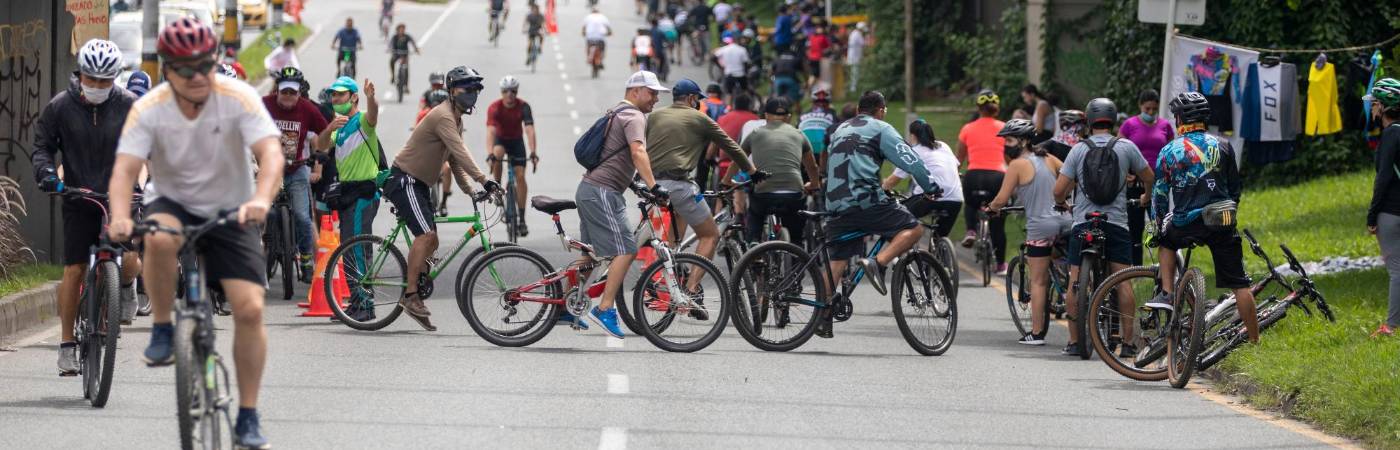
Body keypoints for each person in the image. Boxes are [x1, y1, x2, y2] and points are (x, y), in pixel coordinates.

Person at [106, 18, 282, 448]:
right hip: (174, 202)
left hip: (232, 205)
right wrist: (119, 215)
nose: (198, 76)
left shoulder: (237, 97)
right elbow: (125, 170)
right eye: (186, 68)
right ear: (166, 70)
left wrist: (261, 198)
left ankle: (248, 414)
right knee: (159, 238)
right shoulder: (150, 108)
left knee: (250, 310)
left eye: (205, 65)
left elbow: (270, 153)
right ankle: (164, 327)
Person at [31, 39, 144, 376]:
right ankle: (67, 344)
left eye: (105, 81)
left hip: (122, 196)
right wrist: (48, 175)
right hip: (78, 196)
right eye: (91, 79)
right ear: (80, 74)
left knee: (129, 260)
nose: (97, 87)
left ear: (116, 78)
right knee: (74, 269)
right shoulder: (59, 107)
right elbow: (42, 148)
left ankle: (124, 288)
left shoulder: (130, 106)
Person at [384, 66, 499, 330]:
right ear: (450, 90)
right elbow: (460, 151)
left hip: (420, 184)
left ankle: (417, 288)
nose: (471, 94)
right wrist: (484, 179)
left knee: (432, 241)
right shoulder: (444, 116)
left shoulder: (456, 120)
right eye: (465, 89)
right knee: (425, 237)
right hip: (405, 180)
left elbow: (454, 161)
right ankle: (411, 296)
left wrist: (472, 190)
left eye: (475, 90)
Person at [821, 91, 942, 338]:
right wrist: (931, 188)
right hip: (865, 200)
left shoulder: (840, 129)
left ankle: (822, 317)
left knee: (837, 261)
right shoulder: (881, 128)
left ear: (858, 109)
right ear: (882, 110)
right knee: (914, 228)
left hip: (834, 201)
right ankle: (878, 262)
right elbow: (912, 161)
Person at [1144, 92, 1256, 345]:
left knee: (1167, 241)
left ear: (1180, 118)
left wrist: (1157, 224)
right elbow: (1234, 189)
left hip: (1185, 224)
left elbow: (1160, 197)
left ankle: (1167, 293)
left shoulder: (1169, 150)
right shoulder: (1224, 146)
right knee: (1240, 284)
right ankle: (1254, 341)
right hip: (1221, 222)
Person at [646, 78, 764, 316]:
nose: (699, 104)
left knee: (674, 238)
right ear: (691, 99)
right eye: (698, 99)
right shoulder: (700, 118)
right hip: (679, 184)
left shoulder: (655, 116)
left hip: (652, 185)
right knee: (710, 234)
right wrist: (752, 171)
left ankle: (665, 274)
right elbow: (732, 147)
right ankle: (689, 292)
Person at [1053, 97, 1153, 357]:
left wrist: (1062, 202)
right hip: (1117, 223)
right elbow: (1149, 177)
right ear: (1113, 119)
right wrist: (1145, 196)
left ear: (1088, 120)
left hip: (1084, 222)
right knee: (1122, 280)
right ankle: (1129, 343)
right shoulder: (1126, 147)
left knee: (1075, 280)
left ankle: (1075, 342)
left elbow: (1058, 190)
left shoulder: (1078, 149)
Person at [575, 71, 670, 338]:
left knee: (592, 254)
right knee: (627, 249)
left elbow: (613, 157)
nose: (655, 99)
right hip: (602, 192)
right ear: (635, 91)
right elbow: (637, 152)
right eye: (652, 93)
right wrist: (654, 187)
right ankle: (604, 309)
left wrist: (634, 184)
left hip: (592, 189)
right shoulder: (633, 116)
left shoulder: (617, 112)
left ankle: (568, 304)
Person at [985, 119, 1070, 345]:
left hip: (1041, 227)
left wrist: (991, 209)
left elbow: (1002, 199)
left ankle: (1037, 332)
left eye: (1010, 140)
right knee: (1070, 269)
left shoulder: (1016, 165)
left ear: (1023, 141)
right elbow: (1072, 177)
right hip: (1067, 222)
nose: (1006, 145)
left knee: (1038, 281)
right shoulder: (1049, 159)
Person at [262, 67, 331, 282]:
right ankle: (259, 255)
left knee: (302, 215)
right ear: (277, 91)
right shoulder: (264, 105)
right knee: (262, 215)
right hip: (270, 168)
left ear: (299, 93)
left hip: (297, 168)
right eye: (284, 92)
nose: (288, 97)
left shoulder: (307, 109)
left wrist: (320, 155)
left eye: (293, 92)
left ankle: (306, 261)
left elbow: (325, 132)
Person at [727, 97, 820, 243]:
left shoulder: (755, 133)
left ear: (766, 116)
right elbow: (812, 166)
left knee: (755, 215)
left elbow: (738, 160)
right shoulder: (799, 134)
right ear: (789, 117)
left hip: (764, 193)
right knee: (796, 233)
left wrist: (726, 180)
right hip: (793, 193)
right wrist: (814, 184)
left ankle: (754, 246)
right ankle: (796, 256)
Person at [324, 76, 386, 259]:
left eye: (341, 94)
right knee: (348, 248)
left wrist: (371, 98)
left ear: (354, 97)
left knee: (356, 249)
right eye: (333, 95)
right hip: (347, 193)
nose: (335, 99)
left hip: (364, 193)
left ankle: (361, 288)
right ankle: (358, 286)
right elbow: (320, 146)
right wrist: (328, 129)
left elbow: (373, 115)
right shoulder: (338, 127)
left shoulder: (362, 121)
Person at [882, 119, 964, 240]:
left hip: (929, 197)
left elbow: (893, 180)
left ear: (913, 136)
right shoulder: (944, 146)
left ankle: (904, 251)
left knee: (898, 219)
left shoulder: (913, 152)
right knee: (940, 237)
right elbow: (955, 167)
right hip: (956, 198)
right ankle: (942, 253)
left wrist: (882, 189)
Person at [1118, 89, 1173, 265]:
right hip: (1135, 181)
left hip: (1158, 182)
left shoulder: (1165, 126)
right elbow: (1118, 150)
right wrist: (1125, 171)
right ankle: (1136, 265)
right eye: (1147, 108)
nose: (1150, 112)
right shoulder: (1129, 125)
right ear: (1140, 106)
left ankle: (1165, 263)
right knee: (1135, 226)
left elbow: (1172, 150)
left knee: (1161, 225)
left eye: (1153, 109)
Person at [957, 89, 1008, 274]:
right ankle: (1001, 265)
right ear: (997, 108)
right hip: (997, 177)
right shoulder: (1004, 127)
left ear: (979, 108)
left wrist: (954, 173)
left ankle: (971, 230)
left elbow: (959, 158)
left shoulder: (967, 128)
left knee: (971, 204)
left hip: (974, 175)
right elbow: (1010, 157)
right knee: (998, 222)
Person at [485, 75, 539, 234]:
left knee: (520, 177)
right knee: (497, 153)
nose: (510, 94)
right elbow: (490, 131)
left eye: (513, 91)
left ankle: (521, 219)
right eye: (506, 91)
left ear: (517, 92)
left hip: (517, 142)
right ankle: (497, 186)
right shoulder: (494, 107)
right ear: (501, 92)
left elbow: (529, 130)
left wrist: (533, 151)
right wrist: (490, 154)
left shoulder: (524, 107)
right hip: (501, 140)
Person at [1368, 78, 1400, 338]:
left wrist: (1371, 214)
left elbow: (1384, 177)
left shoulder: (1391, 133)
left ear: (1384, 106)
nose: (1372, 109)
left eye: (1374, 103)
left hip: (1392, 211)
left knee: (1396, 269)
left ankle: (1390, 326)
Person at [799, 87, 836, 157]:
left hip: (804, 151)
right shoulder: (833, 114)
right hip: (824, 151)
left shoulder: (803, 114)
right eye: (818, 102)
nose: (821, 105)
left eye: (824, 102)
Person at [713, 33, 749, 102]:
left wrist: (720, 66)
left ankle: (728, 108)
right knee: (744, 91)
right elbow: (745, 63)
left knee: (729, 93)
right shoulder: (742, 50)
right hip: (740, 74)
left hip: (729, 74)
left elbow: (714, 57)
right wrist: (746, 73)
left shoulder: (725, 49)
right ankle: (745, 104)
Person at [805, 22, 832, 89]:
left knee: (814, 75)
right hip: (818, 58)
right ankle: (808, 88)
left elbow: (808, 47)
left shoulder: (811, 37)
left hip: (811, 58)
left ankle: (814, 89)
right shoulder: (823, 37)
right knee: (815, 75)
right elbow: (829, 48)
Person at [845, 22, 867, 93]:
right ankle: (853, 88)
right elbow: (863, 44)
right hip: (855, 56)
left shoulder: (854, 33)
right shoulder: (857, 35)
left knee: (854, 71)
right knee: (855, 72)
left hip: (853, 55)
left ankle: (853, 87)